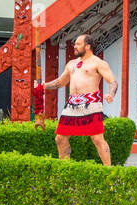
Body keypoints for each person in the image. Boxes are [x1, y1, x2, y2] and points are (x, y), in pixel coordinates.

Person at [37, 34, 118, 166]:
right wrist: (44, 86)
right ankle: (65, 167)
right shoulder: (71, 64)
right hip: (71, 106)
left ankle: (109, 170)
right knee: (60, 138)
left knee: (97, 139)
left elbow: (112, 81)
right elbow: (60, 82)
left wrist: (112, 94)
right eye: (74, 44)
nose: (74, 46)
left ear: (88, 46)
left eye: (78, 44)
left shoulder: (98, 63)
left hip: (91, 104)